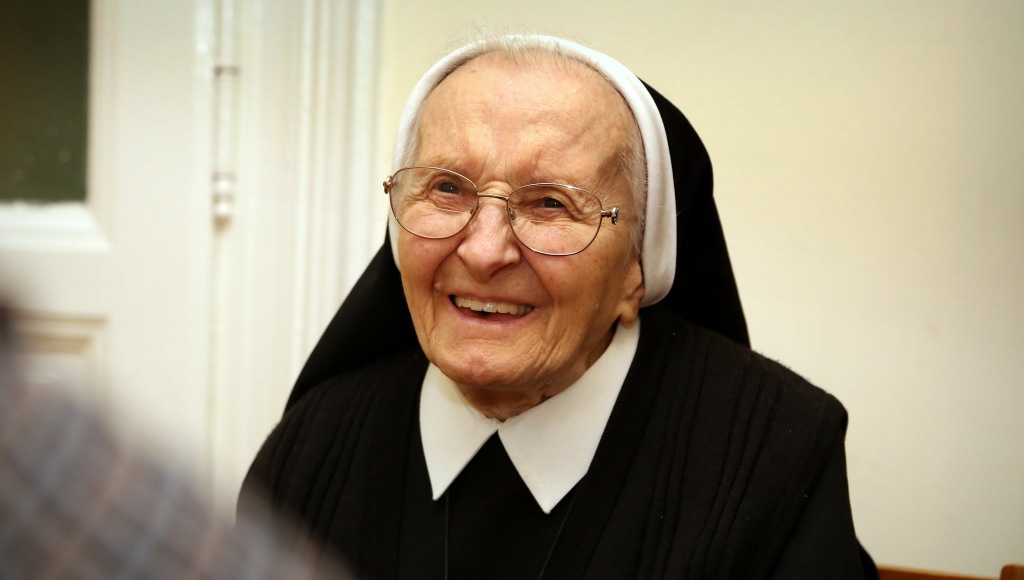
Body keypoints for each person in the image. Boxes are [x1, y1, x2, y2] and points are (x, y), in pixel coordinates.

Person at [240, 34, 876, 579]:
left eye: (550, 203)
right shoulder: (315, 447)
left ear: (637, 270)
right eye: (448, 188)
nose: (484, 251)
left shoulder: (774, 458)